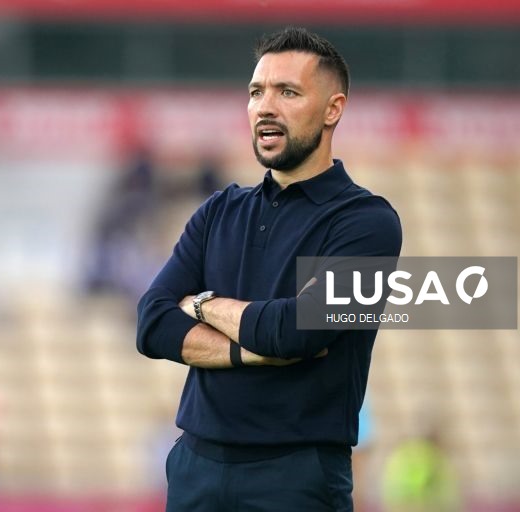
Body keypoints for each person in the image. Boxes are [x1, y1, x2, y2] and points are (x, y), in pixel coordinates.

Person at [136, 27, 402, 511]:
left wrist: (200, 304)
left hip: (296, 478)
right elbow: (152, 323)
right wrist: (250, 350)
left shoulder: (368, 224)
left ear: (332, 109)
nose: (265, 106)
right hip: (196, 467)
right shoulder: (217, 212)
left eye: (288, 92)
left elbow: (298, 333)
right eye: (256, 92)